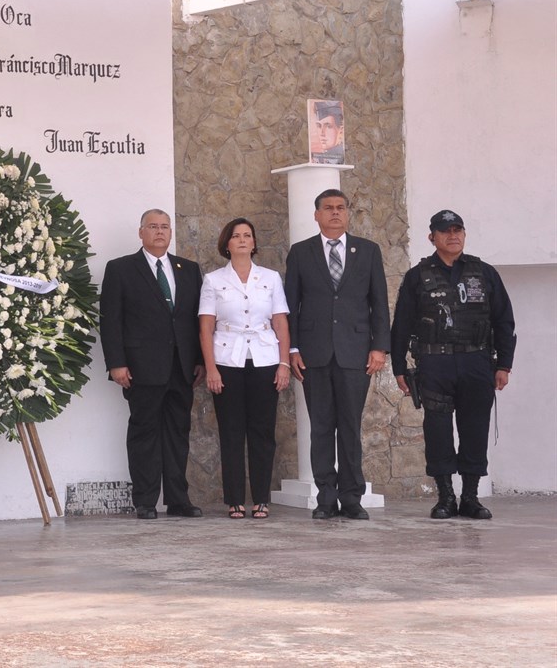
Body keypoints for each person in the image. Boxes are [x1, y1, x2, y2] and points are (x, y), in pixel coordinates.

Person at [391, 210, 516, 519]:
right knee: (438, 431)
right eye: (445, 231)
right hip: (435, 363)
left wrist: (504, 364)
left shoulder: (484, 272)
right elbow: (401, 325)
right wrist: (399, 368)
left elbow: (504, 320)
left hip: (477, 361)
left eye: (458, 230)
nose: (453, 235)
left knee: (475, 428)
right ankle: (445, 497)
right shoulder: (417, 276)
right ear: (432, 237)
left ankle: (470, 497)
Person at [285, 189, 389, 520]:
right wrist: (292, 348)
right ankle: (326, 499)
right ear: (316, 215)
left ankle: (352, 498)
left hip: (355, 353)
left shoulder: (368, 251)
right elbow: (290, 304)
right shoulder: (301, 252)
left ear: (347, 213)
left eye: (340, 207)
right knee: (320, 428)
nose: (334, 212)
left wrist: (379, 347)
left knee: (349, 427)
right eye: (328, 208)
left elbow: (379, 302)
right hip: (313, 354)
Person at [99, 209, 205, 519]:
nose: (160, 232)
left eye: (165, 227)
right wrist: (116, 363)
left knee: (178, 433)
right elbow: (110, 320)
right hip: (141, 366)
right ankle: (145, 501)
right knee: (144, 433)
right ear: (141, 232)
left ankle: (178, 499)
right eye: (153, 227)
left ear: (171, 232)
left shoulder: (189, 269)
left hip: (182, 367)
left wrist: (199, 360)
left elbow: (196, 320)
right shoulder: (121, 268)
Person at [199, 218, 291, 519]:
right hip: (227, 360)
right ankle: (235, 499)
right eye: (236, 235)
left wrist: (284, 363)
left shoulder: (271, 278)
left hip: (264, 359)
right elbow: (206, 327)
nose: (242, 240)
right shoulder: (213, 280)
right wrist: (211, 369)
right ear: (226, 244)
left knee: (263, 432)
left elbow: (280, 322)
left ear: (254, 243)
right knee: (231, 432)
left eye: (247, 235)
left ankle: (261, 499)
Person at [310, 100, 344, 164]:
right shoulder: (318, 158)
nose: (321, 133)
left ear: (341, 131)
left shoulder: (341, 159)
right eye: (319, 126)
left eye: (328, 126)